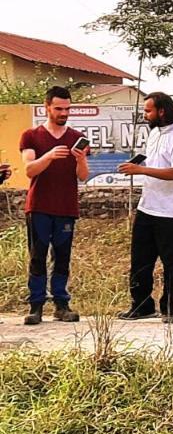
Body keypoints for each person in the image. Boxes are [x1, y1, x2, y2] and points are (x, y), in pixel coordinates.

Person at [117, 93, 173, 322]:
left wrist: (140, 171)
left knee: (170, 263)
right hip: (147, 206)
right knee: (140, 260)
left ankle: (170, 307)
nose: (144, 115)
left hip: (170, 211)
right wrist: (138, 163)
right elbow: (155, 163)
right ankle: (141, 305)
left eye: (148, 110)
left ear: (162, 111)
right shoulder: (153, 133)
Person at [19, 85, 88, 325]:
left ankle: (61, 304)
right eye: (58, 108)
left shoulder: (76, 137)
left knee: (62, 257)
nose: (63, 113)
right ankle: (36, 305)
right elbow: (29, 170)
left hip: (66, 207)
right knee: (37, 257)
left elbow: (83, 176)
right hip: (39, 206)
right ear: (47, 107)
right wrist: (48, 156)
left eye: (67, 109)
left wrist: (80, 159)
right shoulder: (31, 136)